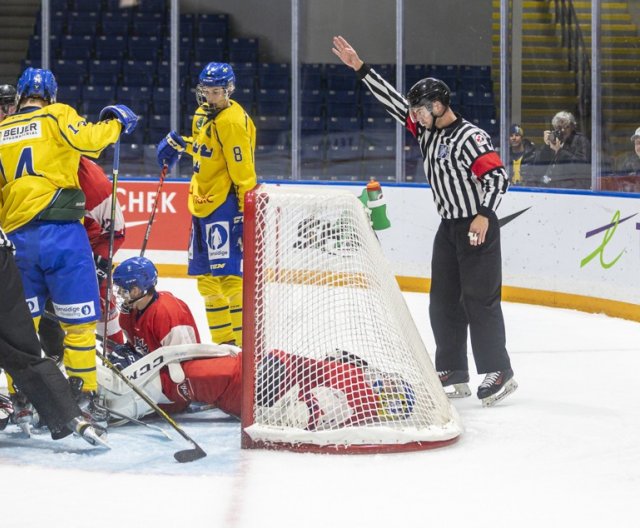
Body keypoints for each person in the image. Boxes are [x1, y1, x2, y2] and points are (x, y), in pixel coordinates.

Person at [331, 35, 517, 406]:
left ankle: (499, 371)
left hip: (476, 226)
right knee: (443, 301)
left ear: (437, 105)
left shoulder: (469, 137)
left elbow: (497, 177)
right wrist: (361, 68)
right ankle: (453, 369)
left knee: (480, 300)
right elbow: (394, 103)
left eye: (419, 109)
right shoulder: (427, 130)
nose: (412, 115)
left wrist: (484, 215)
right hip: (448, 228)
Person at [100, 257, 415, 430]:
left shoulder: (357, 404)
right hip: (267, 368)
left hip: (258, 386)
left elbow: (180, 366)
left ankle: (114, 402)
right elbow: (334, 358)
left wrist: (292, 406)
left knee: (183, 382)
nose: (122, 296)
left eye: (127, 290)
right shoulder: (359, 378)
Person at [0, 67, 137, 423]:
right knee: (77, 325)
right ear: (50, 95)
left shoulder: (1, 131)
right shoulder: (56, 114)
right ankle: (83, 396)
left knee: (20, 329)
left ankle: (24, 401)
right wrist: (116, 123)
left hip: (16, 241)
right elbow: (91, 140)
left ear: (19, 98)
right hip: (62, 235)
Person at [156, 62, 257, 348]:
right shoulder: (202, 114)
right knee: (207, 282)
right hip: (201, 202)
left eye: (217, 92)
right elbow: (207, 150)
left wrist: (244, 210)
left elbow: (243, 171)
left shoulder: (232, 122)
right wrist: (181, 144)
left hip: (225, 205)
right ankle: (223, 344)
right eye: (207, 91)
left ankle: (243, 348)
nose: (211, 97)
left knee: (228, 279)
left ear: (229, 90)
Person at [0, 223, 107, 447]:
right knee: (19, 348)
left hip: (17, 248)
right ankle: (69, 414)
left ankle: (25, 399)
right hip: (5, 257)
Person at [38, 156, 127, 361]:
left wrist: (99, 264)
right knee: (40, 304)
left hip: (88, 246)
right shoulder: (29, 163)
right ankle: (54, 355)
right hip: (45, 243)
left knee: (100, 302)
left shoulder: (94, 184)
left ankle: (117, 354)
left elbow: (116, 233)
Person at [533, 110, 591, 189]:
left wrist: (560, 151)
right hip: (551, 187)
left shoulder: (581, 140)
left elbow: (582, 168)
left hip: (573, 189)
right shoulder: (554, 140)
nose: (563, 130)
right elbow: (538, 169)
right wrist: (546, 146)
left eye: (566, 127)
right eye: (559, 127)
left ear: (573, 127)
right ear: (554, 128)